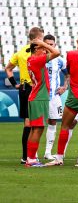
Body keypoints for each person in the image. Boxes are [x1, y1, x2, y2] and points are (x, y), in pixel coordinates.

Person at [46, 31, 78, 166]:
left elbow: (69, 71)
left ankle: (59, 158)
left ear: (77, 41)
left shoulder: (71, 54)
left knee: (65, 126)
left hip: (74, 95)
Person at [5, 27, 44, 164]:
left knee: (27, 123)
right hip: (35, 89)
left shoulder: (20, 52)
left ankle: (26, 156)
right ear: (37, 39)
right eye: (42, 38)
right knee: (34, 124)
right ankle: (30, 156)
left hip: (24, 88)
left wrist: (15, 83)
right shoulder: (38, 53)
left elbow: (8, 69)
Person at [25, 39, 61, 167]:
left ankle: (30, 158)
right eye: (42, 48)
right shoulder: (37, 60)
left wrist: (42, 45)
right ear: (36, 49)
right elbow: (57, 52)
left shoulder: (30, 60)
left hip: (35, 96)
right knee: (38, 129)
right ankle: (31, 159)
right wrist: (45, 43)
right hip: (40, 98)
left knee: (34, 129)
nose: (45, 50)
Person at [42, 34, 69, 160]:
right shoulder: (37, 58)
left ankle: (48, 152)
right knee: (36, 124)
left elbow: (69, 73)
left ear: (55, 46)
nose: (49, 47)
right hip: (39, 96)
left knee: (53, 122)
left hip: (54, 97)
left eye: (51, 45)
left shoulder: (59, 60)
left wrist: (65, 86)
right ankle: (32, 154)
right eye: (47, 44)